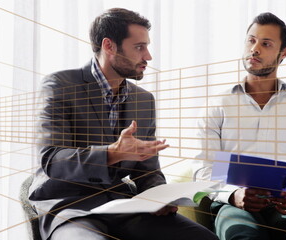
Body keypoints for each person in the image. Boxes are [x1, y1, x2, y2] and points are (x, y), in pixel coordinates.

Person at [29, 8, 218, 240]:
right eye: (139, 47)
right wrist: (111, 153)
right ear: (109, 46)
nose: (148, 56)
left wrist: (158, 197)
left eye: (147, 46)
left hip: (121, 205)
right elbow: (52, 160)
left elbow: (147, 171)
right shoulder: (60, 85)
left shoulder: (144, 100)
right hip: (70, 207)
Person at [193, 12, 286, 239]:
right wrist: (233, 194)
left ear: (283, 53)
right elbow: (202, 169)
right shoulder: (216, 105)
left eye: (265, 43)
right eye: (251, 40)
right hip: (233, 205)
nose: (254, 49)